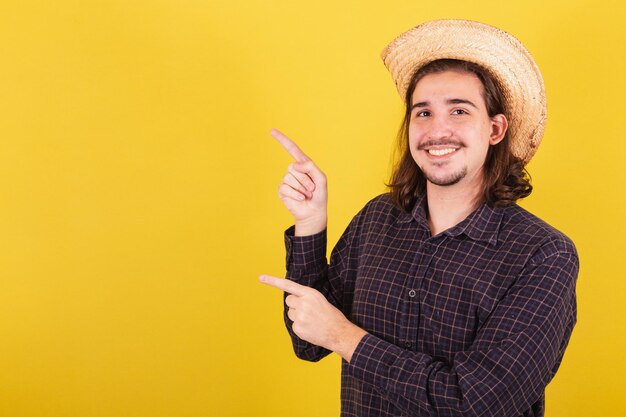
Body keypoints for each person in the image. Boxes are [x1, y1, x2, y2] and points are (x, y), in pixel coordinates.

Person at [260, 19, 578, 417]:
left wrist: (345, 336)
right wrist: (310, 222)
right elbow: (310, 341)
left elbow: (473, 404)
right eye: (423, 113)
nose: (436, 130)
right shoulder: (377, 219)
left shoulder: (543, 255)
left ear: (495, 129)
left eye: (459, 111)